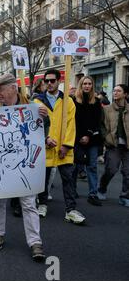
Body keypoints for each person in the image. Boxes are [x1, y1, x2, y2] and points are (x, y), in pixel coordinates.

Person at [0, 74, 49, 261]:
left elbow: (41, 132)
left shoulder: (34, 107)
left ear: (13, 88)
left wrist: (45, 125)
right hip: (1, 165)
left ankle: (35, 242)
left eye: (0, 89)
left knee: (29, 204)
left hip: (25, 164)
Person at [34, 69, 86, 224]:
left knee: (68, 179)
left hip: (64, 148)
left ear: (58, 81)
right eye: (46, 81)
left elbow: (72, 125)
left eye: (52, 81)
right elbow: (34, 126)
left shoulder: (68, 101)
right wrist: (45, 139)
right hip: (46, 146)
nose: (49, 84)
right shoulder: (37, 102)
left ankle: (70, 210)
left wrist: (67, 145)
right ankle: (42, 204)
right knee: (42, 179)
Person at [72, 76, 103, 206]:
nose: (87, 86)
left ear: (92, 86)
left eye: (89, 83)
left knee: (92, 167)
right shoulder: (73, 100)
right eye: (84, 83)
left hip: (92, 139)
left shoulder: (96, 102)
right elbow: (72, 120)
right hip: (76, 138)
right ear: (80, 85)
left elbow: (98, 121)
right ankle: (72, 191)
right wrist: (80, 137)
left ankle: (93, 194)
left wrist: (88, 135)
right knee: (74, 167)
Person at [98, 84, 129, 207]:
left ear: (125, 94)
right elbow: (101, 125)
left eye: (118, 91)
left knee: (128, 173)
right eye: (114, 90)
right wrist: (106, 137)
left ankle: (124, 196)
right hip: (113, 145)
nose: (115, 93)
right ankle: (102, 188)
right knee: (111, 170)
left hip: (127, 146)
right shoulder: (107, 109)